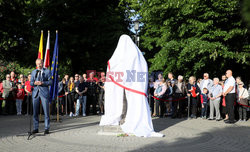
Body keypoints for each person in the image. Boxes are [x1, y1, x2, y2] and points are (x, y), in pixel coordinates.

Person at [100, 34, 163, 137]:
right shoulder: (134, 54)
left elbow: (117, 66)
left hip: (130, 83)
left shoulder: (130, 54)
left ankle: (127, 119)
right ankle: (123, 118)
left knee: (126, 101)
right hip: (128, 84)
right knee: (124, 101)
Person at [30, 59, 52, 135]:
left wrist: (42, 83)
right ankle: (36, 128)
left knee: (46, 111)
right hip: (35, 93)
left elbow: (50, 82)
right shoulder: (33, 72)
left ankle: (46, 128)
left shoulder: (47, 71)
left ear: (42, 63)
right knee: (35, 112)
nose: (39, 65)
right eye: (37, 64)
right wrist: (35, 83)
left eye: (40, 64)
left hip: (44, 93)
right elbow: (31, 83)